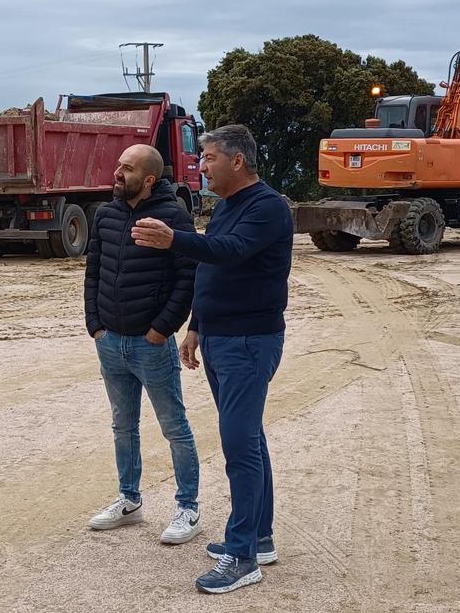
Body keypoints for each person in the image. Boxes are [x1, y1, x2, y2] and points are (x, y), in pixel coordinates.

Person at [131, 125, 293, 594]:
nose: (201, 167)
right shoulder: (227, 208)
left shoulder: (268, 207)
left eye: (208, 159)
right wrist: (197, 325)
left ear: (237, 161)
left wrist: (175, 239)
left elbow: (233, 251)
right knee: (250, 441)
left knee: (239, 447)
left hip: (250, 340)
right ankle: (259, 539)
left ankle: (243, 556)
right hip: (222, 337)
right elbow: (212, 266)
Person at [84, 143, 202, 545]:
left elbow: (189, 279)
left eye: (127, 168)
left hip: (151, 345)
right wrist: (94, 325)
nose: (118, 173)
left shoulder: (173, 216)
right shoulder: (105, 215)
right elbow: (93, 272)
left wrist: (161, 329)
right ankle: (129, 501)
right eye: (118, 165)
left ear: (148, 179)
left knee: (174, 427)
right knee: (123, 426)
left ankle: (188, 507)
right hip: (109, 341)